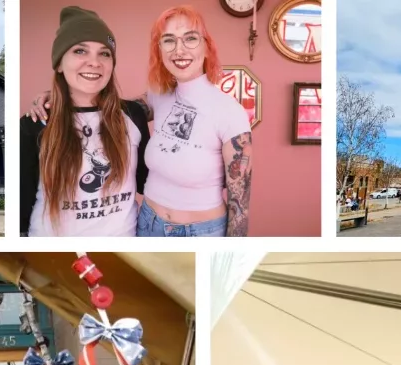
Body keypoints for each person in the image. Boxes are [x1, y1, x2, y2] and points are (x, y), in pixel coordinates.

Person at [32, 6, 253, 237]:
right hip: (146, 224)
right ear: (160, 50)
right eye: (169, 40)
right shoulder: (158, 97)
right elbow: (107, 106)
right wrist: (60, 95)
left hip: (200, 232)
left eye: (190, 38)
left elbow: (240, 207)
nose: (179, 49)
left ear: (206, 47)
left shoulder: (230, 112)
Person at [20, 7, 150, 237]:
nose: (94, 62)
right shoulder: (34, 124)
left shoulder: (133, 114)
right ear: (59, 64)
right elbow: (22, 203)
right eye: (80, 51)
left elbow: (146, 182)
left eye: (104, 53)